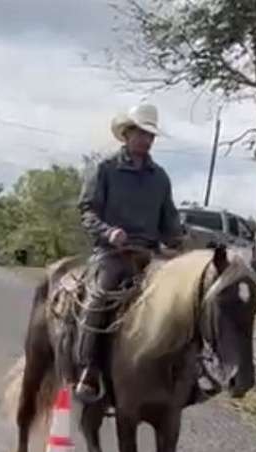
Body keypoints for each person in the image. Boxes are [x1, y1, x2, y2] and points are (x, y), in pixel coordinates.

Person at [74, 102, 184, 404]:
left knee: (182, 301)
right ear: (127, 133)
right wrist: (109, 232)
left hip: (148, 256)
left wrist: (177, 238)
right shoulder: (105, 169)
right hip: (111, 254)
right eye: (142, 133)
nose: (147, 140)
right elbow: (87, 212)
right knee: (100, 296)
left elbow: (169, 221)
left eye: (151, 135)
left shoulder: (160, 178)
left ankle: (178, 372)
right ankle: (89, 370)